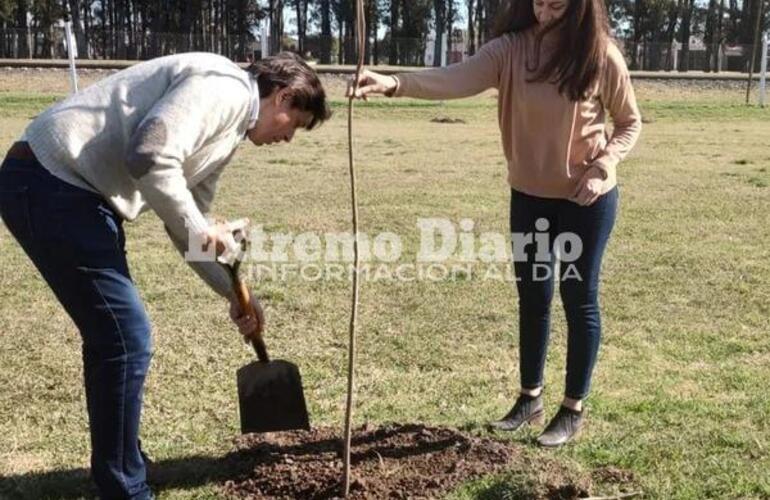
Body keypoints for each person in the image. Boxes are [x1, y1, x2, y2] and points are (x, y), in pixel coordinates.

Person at [0, 51, 330, 499]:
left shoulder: (229, 131)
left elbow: (187, 225)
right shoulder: (226, 87)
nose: (288, 138)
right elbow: (149, 153)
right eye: (295, 125)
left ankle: (123, 467)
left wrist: (233, 294)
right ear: (283, 97)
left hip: (69, 191)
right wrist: (199, 228)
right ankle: (125, 487)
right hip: (52, 181)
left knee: (118, 337)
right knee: (124, 337)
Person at [349, 0, 641, 447]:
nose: (544, 13)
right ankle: (530, 399)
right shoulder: (509, 50)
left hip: (586, 199)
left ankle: (572, 408)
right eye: (538, 2)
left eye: (556, 4)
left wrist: (604, 165)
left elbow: (628, 123)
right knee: (533, 297)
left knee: (578, 297)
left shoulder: (600, 56)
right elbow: (455, 78)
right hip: (529, 196)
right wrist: (394, 83)